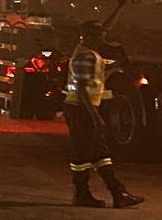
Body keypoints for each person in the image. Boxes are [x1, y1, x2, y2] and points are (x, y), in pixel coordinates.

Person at [61, 21, 144, 209]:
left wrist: (120, 8)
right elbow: (82, 87)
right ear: (89, 36)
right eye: (100, 35)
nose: (104, 38)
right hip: (81, 109)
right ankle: (81, 194)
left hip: (84, 108)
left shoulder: (87, 51)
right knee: (82, 154)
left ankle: (118, 193)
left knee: (101, 153)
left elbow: (104, 27)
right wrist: (95, 115)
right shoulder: (86, 56)